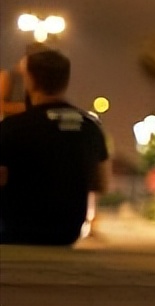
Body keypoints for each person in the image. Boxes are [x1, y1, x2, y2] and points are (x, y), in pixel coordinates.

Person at [0, 49, 110, 245]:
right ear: (65, 81)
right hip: (68, 231)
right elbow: (101, 183)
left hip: (16, 229)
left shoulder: (13, 127)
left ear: (30, 81)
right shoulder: (90, 127)